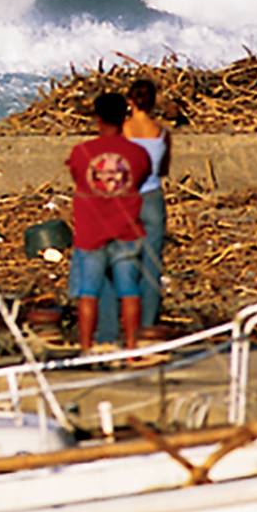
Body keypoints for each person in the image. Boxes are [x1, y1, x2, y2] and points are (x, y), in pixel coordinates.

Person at [67, 92, 152, 350]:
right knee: (129, 291)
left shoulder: (81, 152)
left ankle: (85, 348)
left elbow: (78, 176)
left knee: (88, 293)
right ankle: (130, 348)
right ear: (124, 117)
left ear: (97, 118)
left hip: (91, 232)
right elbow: (140, 178)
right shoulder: (138, 153)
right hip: (126, 232)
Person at [123, 78, 172, 329]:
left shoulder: (124, 130)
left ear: (130, 102)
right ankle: (148, 324)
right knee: (152, 265)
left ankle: (127, 324)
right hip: (153, 197)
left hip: (128, 198)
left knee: (125, 262)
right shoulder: (162, 132)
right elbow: (163, 169)